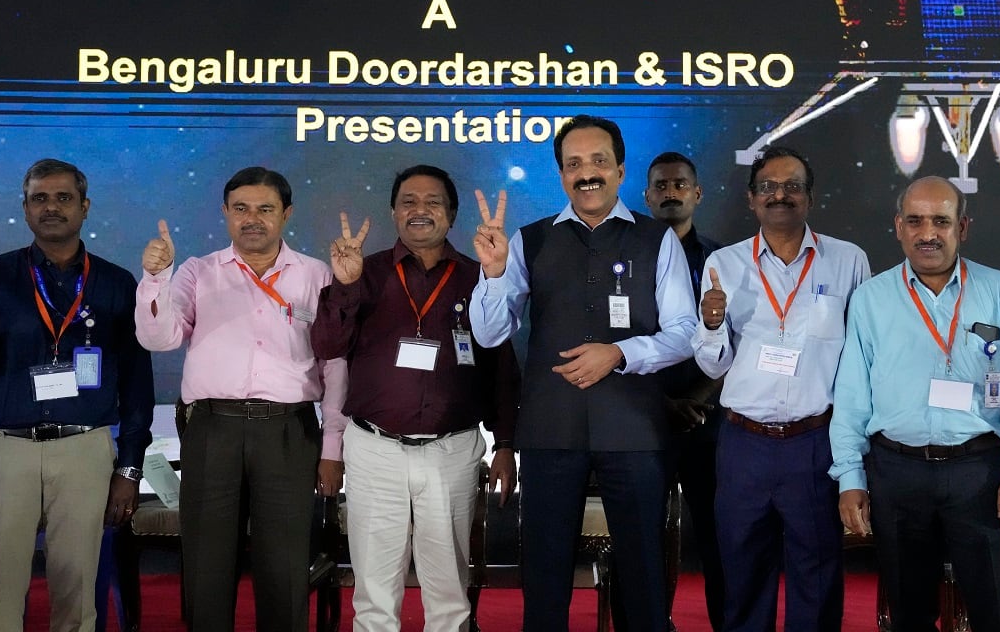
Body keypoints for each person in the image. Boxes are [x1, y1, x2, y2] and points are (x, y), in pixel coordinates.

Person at [470, 114, 698, 632]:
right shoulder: (529, 240)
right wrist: (493, 273)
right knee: (545, 576)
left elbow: (686, 332)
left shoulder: (656, 239)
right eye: (574, 164)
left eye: (599, 161)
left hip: (634, 430)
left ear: (620, 170)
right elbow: (489, 333)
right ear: (561, 175)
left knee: (643, 575)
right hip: (551, 430)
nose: (587, 173)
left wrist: (620, 353)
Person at [830, 175, 1000, 632]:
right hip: (896, 473)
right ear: (898, 227)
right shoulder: (870, 298)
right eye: (915, 221)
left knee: (997, 613)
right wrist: (850, 476)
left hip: (980, 473)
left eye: (941, 221)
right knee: (908, 616)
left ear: (962, 227)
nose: (927, 233)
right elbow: (851, 395)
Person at [134, 166, 346, 632]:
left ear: (286, 214)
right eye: (241, 209)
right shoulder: (197, 271)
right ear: (225, 213)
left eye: (265, 209)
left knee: (285, 564)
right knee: (206, 563)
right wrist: (155, 279)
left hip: (289, 431)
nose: (253, 219)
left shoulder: (316, 275)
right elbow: (159, 338)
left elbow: (335, 366)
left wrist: (333, 445)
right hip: (213, 428)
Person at [309, 164, 520, 632]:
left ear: (452, 214)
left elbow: (502, 370)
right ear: (393, 212)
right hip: (375, 448)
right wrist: (344, 287)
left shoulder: (478, 277)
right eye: (408, 201)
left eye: (432, 202)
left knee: (448, 595)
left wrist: (505, 444)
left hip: (452, 450)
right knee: (374, 595)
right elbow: (326, 346)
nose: (419, 210)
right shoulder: (363, 272)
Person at [0, 158, 155, 631]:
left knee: (78, 594)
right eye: (39, 198)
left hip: (84, 450)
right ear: (25, 209)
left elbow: (136, 385)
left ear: (85, 207)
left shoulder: (116, 283)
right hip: (4, 451)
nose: (51, 207)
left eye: (64, 198)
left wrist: (129, 468)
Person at [691, 146, 869, 631]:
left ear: (810, 197)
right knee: (743, 571)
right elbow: (712, 363)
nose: (780, 195)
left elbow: (861, 357)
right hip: (743, 444)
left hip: (815, 442)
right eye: (768, 187)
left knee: (818, 574)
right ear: (751, 199)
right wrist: (711, 324)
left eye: (792, 186)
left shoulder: (848, 261)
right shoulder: (724, 264)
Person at [643, 151, 725, 630]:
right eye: (661, 185)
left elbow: (738, 339)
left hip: (706, 421)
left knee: (719, 536)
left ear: (697, 193)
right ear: (646, 196)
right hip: (640, 417)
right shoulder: (624, 255)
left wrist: (695, 400)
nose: (670, 192)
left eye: (679, 184)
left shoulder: (723, 260)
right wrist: (660, 404)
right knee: (641, 537)